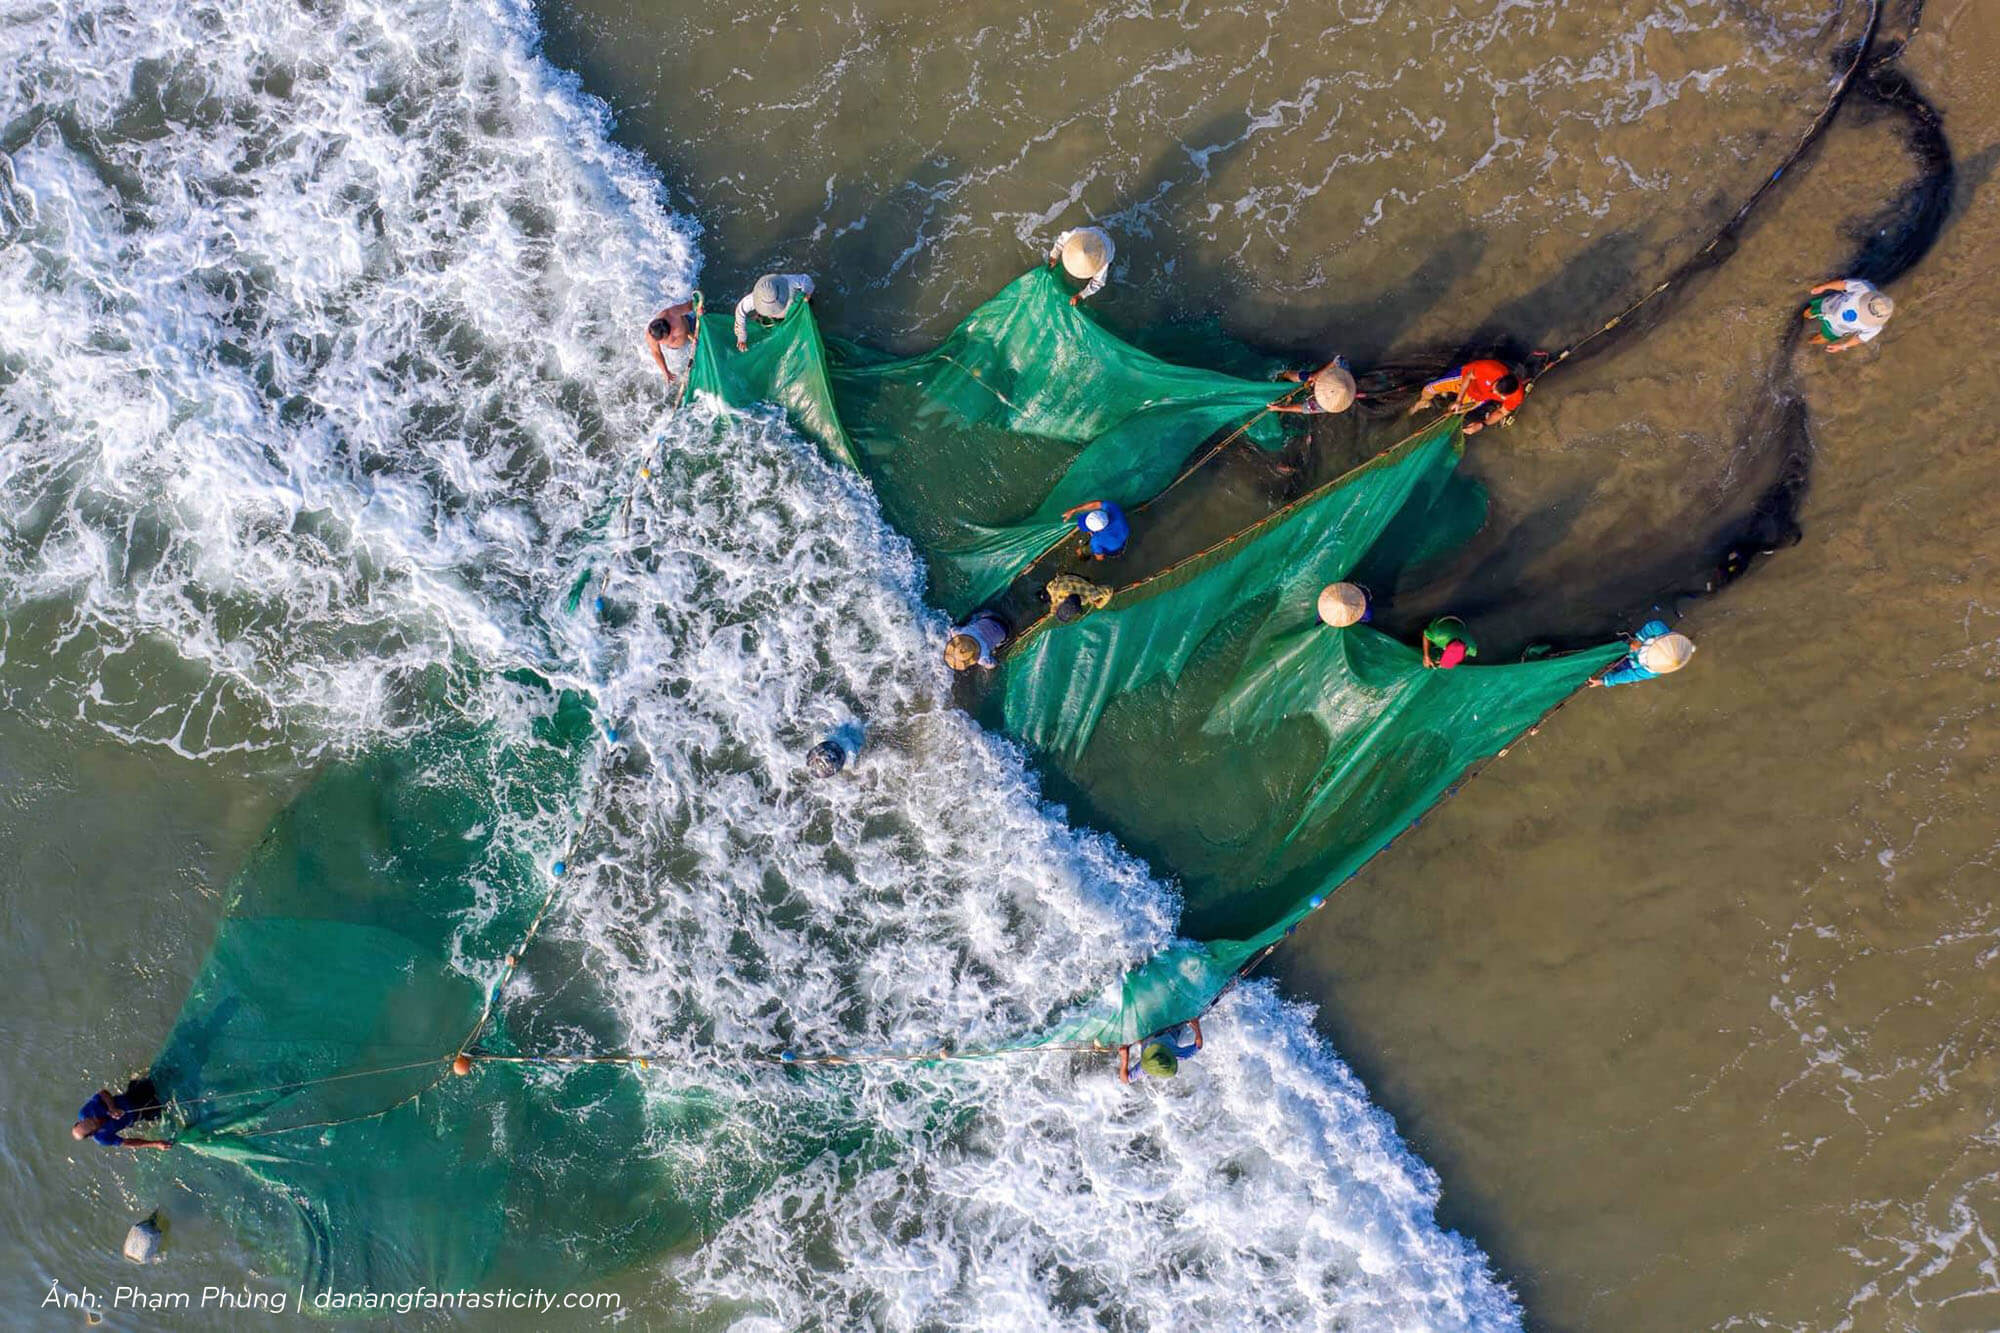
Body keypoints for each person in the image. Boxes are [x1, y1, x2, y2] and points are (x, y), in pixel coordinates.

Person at [1410, 358, 1525, 434]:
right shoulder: (1489, 369)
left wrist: (1482, 424)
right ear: (1499, 379)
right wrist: (1459, 400)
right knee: (1428, 389)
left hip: (1478, 396)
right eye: (1494, 388)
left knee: (1454, 412)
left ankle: (1447, 408)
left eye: (1498, 395)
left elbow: (1502, 412)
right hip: (1464, 378)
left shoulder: (1517, 397)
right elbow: (1469, 376)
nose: (1493, 393)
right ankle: (1423, 402)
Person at [73, 1077, 170, 1150]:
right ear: (92, 1133)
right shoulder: (103, 1138)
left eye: (88, 1119)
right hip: (139, 1114)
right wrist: (155, 1144)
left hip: (131, 1097)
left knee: (158, 1081)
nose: (94, 1119)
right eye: (93, 1124)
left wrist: (112, 1107)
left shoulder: (85, 1112)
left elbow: (103, 1093)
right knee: (166, 1106)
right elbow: (127, 1142)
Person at [1591, 619, 1696, 687]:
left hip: (1632, 662)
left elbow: (1631, 675)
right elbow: (1654, 625)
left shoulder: (1651, 671)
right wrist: (1640, 640)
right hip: (1634, 645)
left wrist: (1603, 681)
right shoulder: (1665, 636)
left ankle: (1614, 665)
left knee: (1620, 669)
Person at [1804, 278, 1893, 352]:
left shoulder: (1875, 327)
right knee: (1807, 313)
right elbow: (1843, 284)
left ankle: (1804, 342)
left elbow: (1859, 338)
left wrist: (1842, 346)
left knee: (1819, 339)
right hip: (1830, 305)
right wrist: (1824, 287)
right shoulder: (1865, 288)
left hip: (1837, 328)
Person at [734, 272, 816, 351]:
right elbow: (740, 311)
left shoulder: (788, 282)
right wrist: (741, 337)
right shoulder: (753, 298)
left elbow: (806, 279)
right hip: (772, 317)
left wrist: (806, 293)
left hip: (794, 307)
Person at [1119, 1020, 1203, 1083]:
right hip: (1171, 1027)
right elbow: (1198, 1046)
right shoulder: (1178, 1054)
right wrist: (1196, 1026)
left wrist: (1124, 1058)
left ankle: (1141, 1039)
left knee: (1141, 1039)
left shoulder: (1147, 1066)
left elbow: (1125, 1079)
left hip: (1149, 1036)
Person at [1048, 226, 1114, 305]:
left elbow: (1097, 283)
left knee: (1100, 275)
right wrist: (1053, 257)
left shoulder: (1104, 261)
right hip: (1094, 232)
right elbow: (1060, 242)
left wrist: (1080, 296)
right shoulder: (1075, 234)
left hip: (1108, 244)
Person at [644, 297, 696, 391]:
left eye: (666, 337)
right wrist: (665, 371)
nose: (667, 339)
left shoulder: (672, 313)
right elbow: (656, 352)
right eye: (663, 340)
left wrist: (699, 308)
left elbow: (691, 305)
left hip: (691, 329)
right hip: (677, 348)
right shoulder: (650, 336)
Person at [1273, 357, 1358, 415]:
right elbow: (1338, 359)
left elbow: (1302, 408)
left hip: (1324, 379)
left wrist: (1279, 408)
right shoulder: (1343, 370)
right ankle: (1284, 374)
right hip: (1326, 373)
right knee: (1308, 377)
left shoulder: (1328, 405)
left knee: (1309, 380)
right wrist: (1316, 375)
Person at [944, 610, 1009, 672]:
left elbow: (993, 664)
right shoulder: (961, 632)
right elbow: (952, 629)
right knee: (973, 620)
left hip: (1004, 631)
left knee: (995, 647)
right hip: (991, 618)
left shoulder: (982, 658)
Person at [1064, 499, 1129, 560]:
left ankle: (1082, 553)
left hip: (1113, 550)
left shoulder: (1095, 540)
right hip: (1121, 537)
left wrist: (1074, 510)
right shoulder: (1114, 510)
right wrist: (1073, 510)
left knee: (1090, 549)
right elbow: (1097, 504)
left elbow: (1099, 557)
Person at [1041, 573, 1113, 623]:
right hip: (1070, 579)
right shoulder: (1055, 590)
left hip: (1074, 581)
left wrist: (1100, 604)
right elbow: (1109, 589)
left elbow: (1108, 589)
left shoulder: (1089, 594)